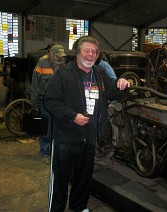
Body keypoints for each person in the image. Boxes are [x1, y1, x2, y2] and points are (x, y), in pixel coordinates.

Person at [44, 36, 129, 211]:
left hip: (89, 136)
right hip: (66, 137)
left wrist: (122, 84)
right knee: (60, 178)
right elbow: (51, 101)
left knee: (83, 177)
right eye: (86, 51)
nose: (90, 55)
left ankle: (79, 207)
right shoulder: (64, 74)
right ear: (77, 53)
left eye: (94, 52)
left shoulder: (99, 73)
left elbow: (114, 92)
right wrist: (72, 116)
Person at [31, 44, 66, 164]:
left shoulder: (63, 66)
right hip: (44, 102)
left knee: (57, 128)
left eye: (61, 56)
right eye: (58, 56)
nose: (60, 58)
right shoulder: (41, 65)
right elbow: (34, 86)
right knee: (46, 128)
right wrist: (35, 104)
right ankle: (44, 153)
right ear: (51, 53)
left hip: (59, 103)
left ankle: (54, 152)